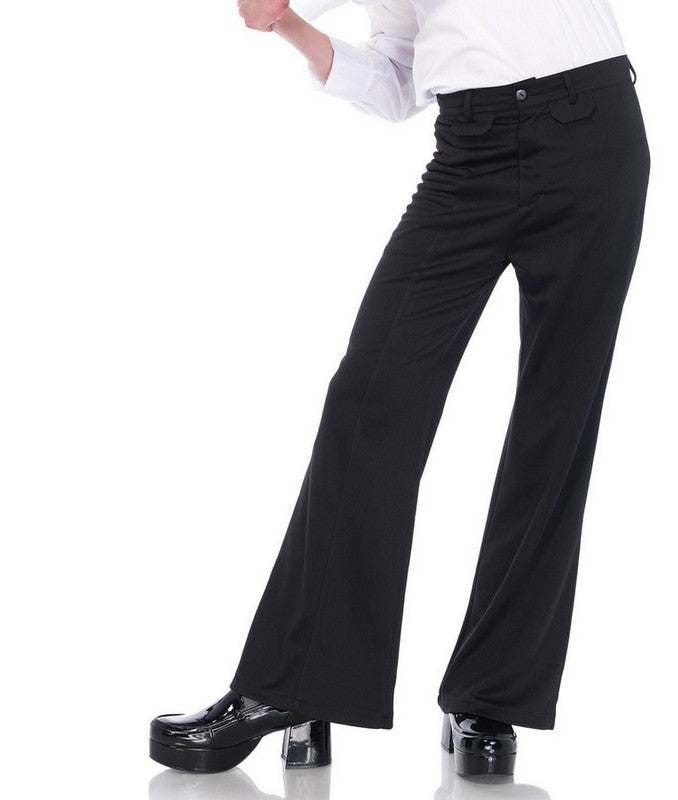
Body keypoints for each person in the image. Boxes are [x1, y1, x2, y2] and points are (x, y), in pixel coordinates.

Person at [149, 0, 651, 778]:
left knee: (556, 422)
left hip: (591, 133)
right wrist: (290, 25)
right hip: (471, 155)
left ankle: (492, 694)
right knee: (370, 401)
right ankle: (297, 685)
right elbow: (396, 80)